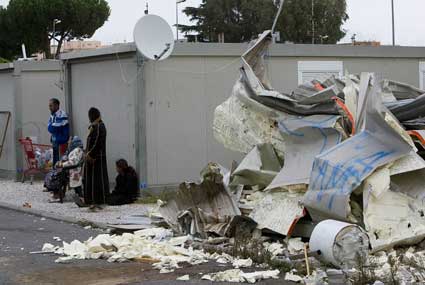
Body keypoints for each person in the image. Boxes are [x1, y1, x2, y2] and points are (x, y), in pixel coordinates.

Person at [83, 107, 109, 210]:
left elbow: (98, 142)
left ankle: (98, 200)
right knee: (89, 179)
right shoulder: (94, 126)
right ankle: (90, 199)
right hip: (90, 157)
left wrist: (91, 154)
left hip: (97, 158)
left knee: (97, 180)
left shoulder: (100, 126)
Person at [56, 136, 84, 200]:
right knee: (55, 173)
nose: (68, 142)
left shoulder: (77, 150)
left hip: (73, 170)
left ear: (74, 142)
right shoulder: (73, 150)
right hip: (70, 169)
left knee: (56, 175)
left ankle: (58, 193)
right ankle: (59, 192)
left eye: (70, 141)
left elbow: (73, 162)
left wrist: (62, 164)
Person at [48, 98, 70, 165]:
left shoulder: (62, 114)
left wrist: (52, 126)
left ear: (57, 106)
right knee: (55, 162)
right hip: (55, 141)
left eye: (51, 106)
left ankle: (60, 175)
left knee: (61, 162)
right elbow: (49, 128)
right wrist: (52, 126)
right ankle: (55, 174)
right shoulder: (52, 115)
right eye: (49, 106)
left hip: (61, 142)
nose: (49, 108)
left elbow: (54, 128)